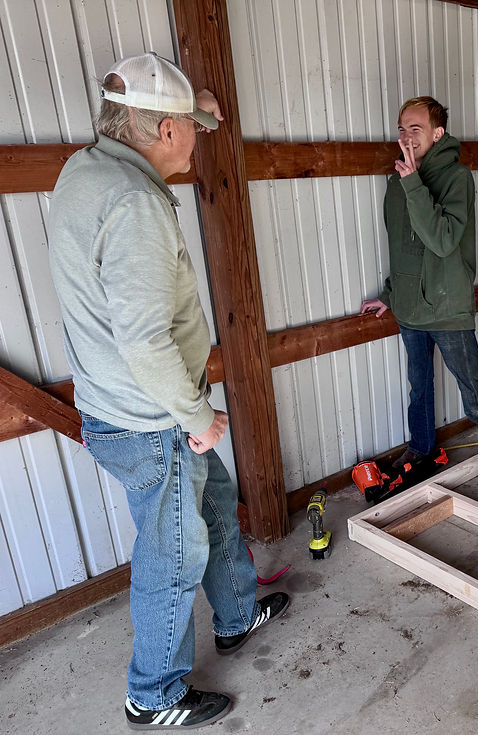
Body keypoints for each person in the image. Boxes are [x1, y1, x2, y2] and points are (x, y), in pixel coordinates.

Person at [48, 53, 289, 730]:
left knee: (212, 498)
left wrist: (200, 108)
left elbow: (178, 120)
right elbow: (147, 339)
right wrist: (197, 413)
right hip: (152, 415)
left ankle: (238, 613)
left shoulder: (87, 169)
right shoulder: (137, 205)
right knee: (172, 555)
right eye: (188, 127)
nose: (196, 138)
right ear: (162, 133)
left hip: (118, 405)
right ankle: (152, 693)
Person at [360, 96, 478, 514]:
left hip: (447, 308)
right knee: (419, 388)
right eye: (401, 129)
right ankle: (421, 450)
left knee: (475, 394)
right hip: (410, 308)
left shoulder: (455, 177)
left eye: (415, 129)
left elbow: (443, 240)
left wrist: (413, 183)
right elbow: (403, 249)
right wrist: (390, 296)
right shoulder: (398, 179)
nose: (406, 137)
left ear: (436, 134)